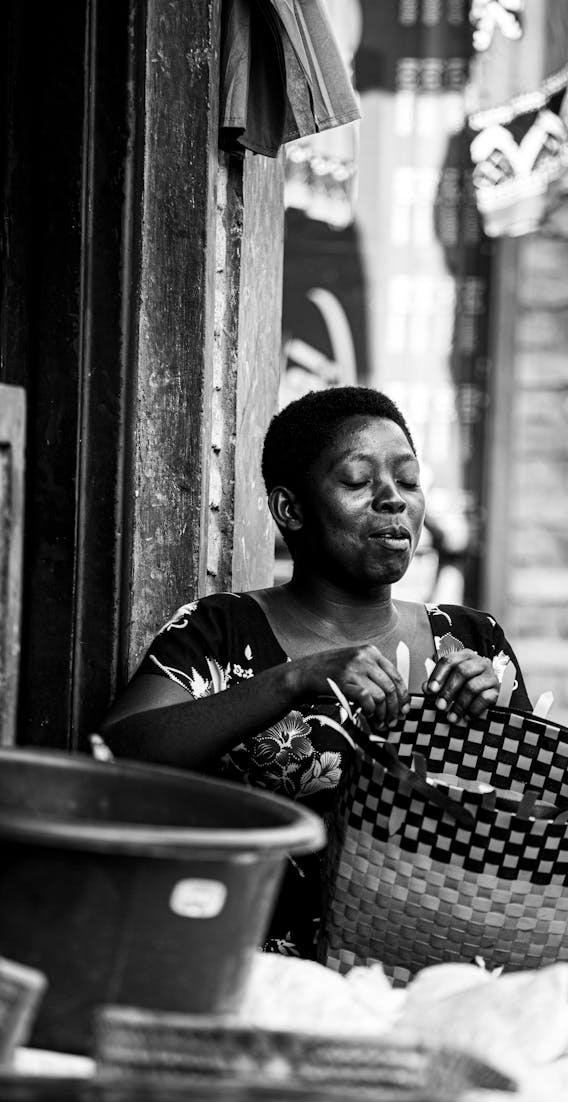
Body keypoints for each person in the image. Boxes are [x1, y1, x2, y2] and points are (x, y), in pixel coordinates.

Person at [101, 386, 531, 955]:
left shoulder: (473, 640)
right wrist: (292, 679)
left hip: (433, 969)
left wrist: (491, 722)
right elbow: (119, 753)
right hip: (253, 966)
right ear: (291, 509)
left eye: (407, 480)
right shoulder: (221, 631)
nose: (393, 500)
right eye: (358, 482)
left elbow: (541, 822)